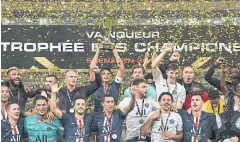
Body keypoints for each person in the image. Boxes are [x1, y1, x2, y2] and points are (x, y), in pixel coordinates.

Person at [90, 46, 124, 112]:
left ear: (111, 76)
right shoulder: (95, 85)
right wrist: (98, 51)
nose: (106, 75)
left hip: (113, 115)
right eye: (103, 74)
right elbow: (92, 68)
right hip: (98, 117)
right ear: (100, 76)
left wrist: (115, 53)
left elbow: (121, 69)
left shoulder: (115, 85)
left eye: (108, 74)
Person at [151, 44, 186, 109]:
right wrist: (165, 51)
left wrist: (168, 105)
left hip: (172, 115)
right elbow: (153, 65)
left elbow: (178, 108)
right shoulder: (160, 80)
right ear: (167, 73)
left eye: (176, 73)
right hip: (158, 113)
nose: (174, 76)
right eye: (171, 73)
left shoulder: (181, 88)